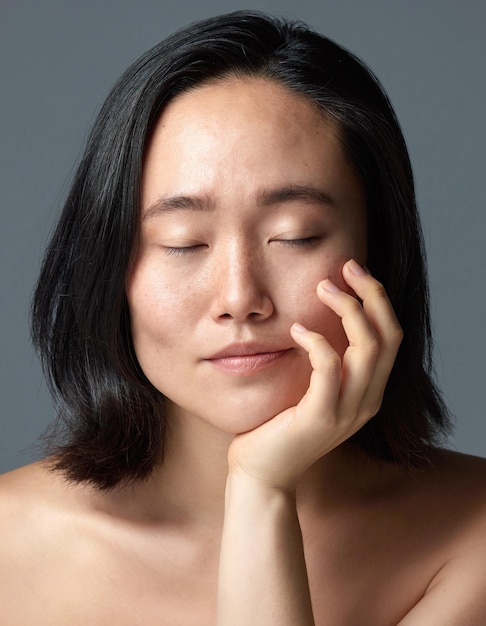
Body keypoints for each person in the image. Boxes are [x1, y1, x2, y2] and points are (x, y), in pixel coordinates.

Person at [0, 10, 484, 625]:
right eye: (182, 242)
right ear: (110, 270)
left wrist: (261, 490)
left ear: (379, 253)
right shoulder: (7, 549)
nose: (239, 297)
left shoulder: (474, 536)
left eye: (295, 236)